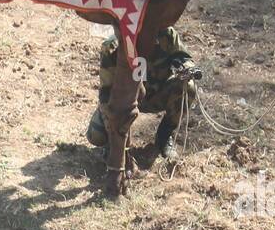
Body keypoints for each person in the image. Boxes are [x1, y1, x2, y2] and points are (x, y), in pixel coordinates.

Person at [86, 26, 200, 164]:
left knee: (187, 86)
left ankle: (164, 137)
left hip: (155, 96)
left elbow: (182, 56)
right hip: (122, 101)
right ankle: (113, 144)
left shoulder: (166, 33)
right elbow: (106, 94)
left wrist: (188, 67)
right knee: (96, 136)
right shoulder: (114, 45)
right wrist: (112, 129)